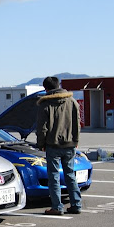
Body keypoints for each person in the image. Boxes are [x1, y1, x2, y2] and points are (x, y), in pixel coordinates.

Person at [35, 76, 82, 215]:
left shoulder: (45, 104)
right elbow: (77, 124)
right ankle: (76, 204)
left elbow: (42, 128)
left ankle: (57, 207)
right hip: (70, 144)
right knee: (70, 175)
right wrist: (76, 141)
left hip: (52, 145)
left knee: (54, 176)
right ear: (59, 85)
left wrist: (41, 144)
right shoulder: (72, 101)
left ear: (46, 88)